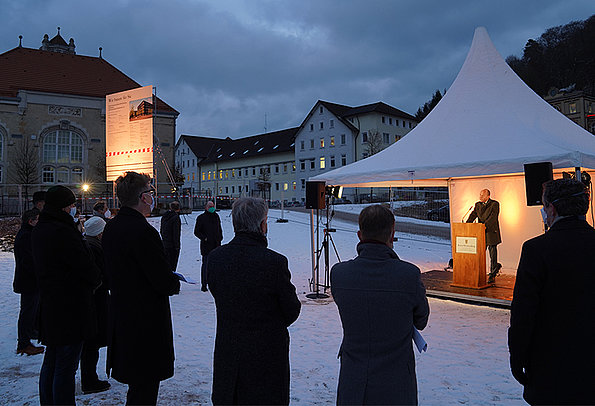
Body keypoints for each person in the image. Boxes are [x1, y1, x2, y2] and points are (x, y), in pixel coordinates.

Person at [331, 204, 430, 405]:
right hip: (396, 382)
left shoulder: (339, 274)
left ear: (359, 235)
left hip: (354, 380)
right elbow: (421, 320)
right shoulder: (408, 275)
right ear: (392, 234)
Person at [508, 178, 595, 405]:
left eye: (544, 206)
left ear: (552, 208)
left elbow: (523, 313)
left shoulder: (537, 249)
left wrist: (517, 358)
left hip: (552, 369)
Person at [207, 197, 301, 405]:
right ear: (262, 225)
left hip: (229, 351)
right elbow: (291, 309)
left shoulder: (215, 258)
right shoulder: (274, 262)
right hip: (266, 356)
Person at [102, 172, 180, 406]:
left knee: (138, 385)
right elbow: (161, 279)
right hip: (144, 321)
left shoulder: (113, 227)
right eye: (151, 192)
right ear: (143, 197)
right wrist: (173, 282)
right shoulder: (143, 231)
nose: (153, 196)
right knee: (144, 387)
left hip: (123, 314)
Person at [31, 185, 101, 405]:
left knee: (52, 361)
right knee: (65, 366)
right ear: (63, 207)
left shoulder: (42, 228)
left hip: (52, 304)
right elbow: (84, 265)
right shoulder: (63, 232)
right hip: (70, 307)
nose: (74, 209)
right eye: (71, 205)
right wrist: (96, 278)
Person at [80, 216, 110, 394]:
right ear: (99, 233)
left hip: (96, 299)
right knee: (92, 342)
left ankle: (89, 376)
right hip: (95, 301)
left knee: (92, 342)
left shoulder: (90, 244)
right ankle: (89, 379)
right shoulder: (93, 248)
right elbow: (99, 275)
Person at [13, 208, 44, 356]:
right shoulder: (26, 236)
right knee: (27, 311)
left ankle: (30, 334)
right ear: (31, 221)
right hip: (29, 281)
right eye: (37, 220)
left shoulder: (27, 234)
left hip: (30, 280)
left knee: (31, 309)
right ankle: (23, 343)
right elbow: (29, 260)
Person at [466, 188, 502, 284]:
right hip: (480, 232)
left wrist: (484, 226)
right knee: (480, 254)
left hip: (490, 232)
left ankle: (492, 274)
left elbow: (493, 218)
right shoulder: (477, 204)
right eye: (480, 195)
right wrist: (467, 223)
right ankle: (478, 272)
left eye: (482, 195)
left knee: (492, 254)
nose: (480, 197)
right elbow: (474, 214)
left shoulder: (495, 204)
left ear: (488, 196)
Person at [194, 200, 223, 292]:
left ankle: (215, 283)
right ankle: (204, 284)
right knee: (206, 265)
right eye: (210, 206)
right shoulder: (201, 218)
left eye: (213, 206)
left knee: (215, 265)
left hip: (216, 244)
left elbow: (219, 228)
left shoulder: (216, 216)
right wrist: (204, 238)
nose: (212, 207)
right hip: (206, 246)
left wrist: (220, 237)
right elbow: (197, 231)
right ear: (206, 207)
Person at [160, 201, 181, 273]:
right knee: (172, 266)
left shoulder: (165, 216)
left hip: (165, 243)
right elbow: (176, 233)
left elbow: (161, 230)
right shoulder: (176, 218)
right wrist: (177, 246)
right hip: (172, 246)